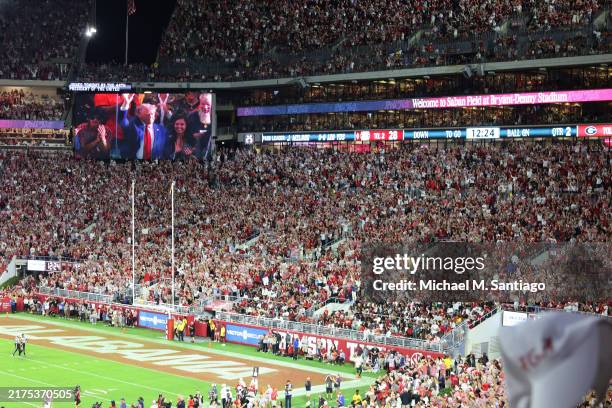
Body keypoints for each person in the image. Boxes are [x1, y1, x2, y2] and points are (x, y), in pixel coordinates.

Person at [119, 94, 172, 160]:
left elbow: (166, 151)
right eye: (148, 114)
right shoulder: (133, 125)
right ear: (139, 114)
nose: (151, 116)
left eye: (152, 113)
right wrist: (126, 104)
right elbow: (123, 121)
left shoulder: (162, 131)